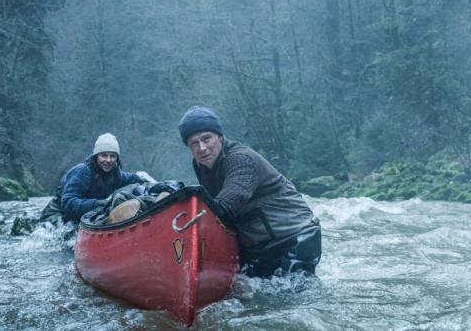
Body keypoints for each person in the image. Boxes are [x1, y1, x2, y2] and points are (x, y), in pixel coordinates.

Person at [178, 105, 322, 277]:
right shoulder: (200, 164)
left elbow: (224, 208)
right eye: (194, 143)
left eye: (206, 139)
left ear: (220, 137)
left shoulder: (241, 159)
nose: (202, 148)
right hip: (260, 245)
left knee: (291, 297)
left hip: (295, 238)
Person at [40, 133, 155, 223]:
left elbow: (127, 177)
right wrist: (101, 203)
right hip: (56, 215)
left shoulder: (114, 173)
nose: (108, 160)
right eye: (104, 155)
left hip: (81, 216)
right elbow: (68, 203)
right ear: (96, 156)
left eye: (112, 156)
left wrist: (142, 177)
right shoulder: (82, 171)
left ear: (117, 158)